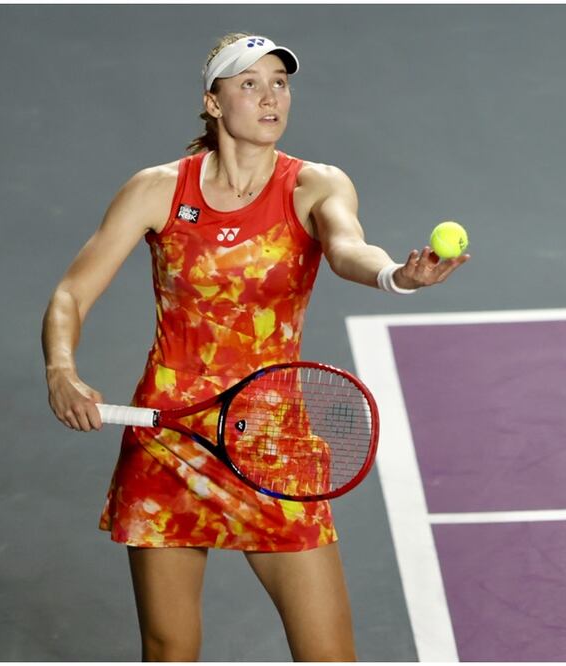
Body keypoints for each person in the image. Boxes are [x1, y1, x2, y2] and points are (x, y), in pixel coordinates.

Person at [41, 32, 468, 661]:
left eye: (280, 83)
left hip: (274, 449)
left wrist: (395, 277)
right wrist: (60, 369)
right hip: (170, 442)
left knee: (329, 654)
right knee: (168, 649)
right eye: (250, 84)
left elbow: (348, 247)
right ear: (213, 103)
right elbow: (70, 296)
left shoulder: (315, 186)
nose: (271, 98)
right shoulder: (157, 190)